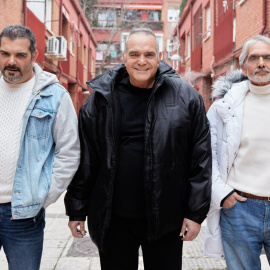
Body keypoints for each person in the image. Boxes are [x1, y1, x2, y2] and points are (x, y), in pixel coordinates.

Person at [65, 27, 211, 270]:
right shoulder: (101, 98)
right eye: (134, 54)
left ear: (160, 56)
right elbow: (86, 158)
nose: (141, 61)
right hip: (113, 218)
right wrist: (77, 209)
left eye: (149, 54)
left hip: (167, 216)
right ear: (124, 57)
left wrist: (195, 214)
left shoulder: (186, 98)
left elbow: (201, 159)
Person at [0, 25, 80, 270]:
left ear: (34, 56)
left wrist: (43, 196)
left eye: (20, 55)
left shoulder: (54, 96)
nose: (11, 61)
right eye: (5, 53)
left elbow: (69, 151)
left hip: (22, 215)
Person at [205, 35, 270, 269]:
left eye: (267, 57)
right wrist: (221, 194)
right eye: (254, 58)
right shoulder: (225, 106)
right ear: (243, 66)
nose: (261, 63)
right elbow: (206, 155)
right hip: (240, 208)